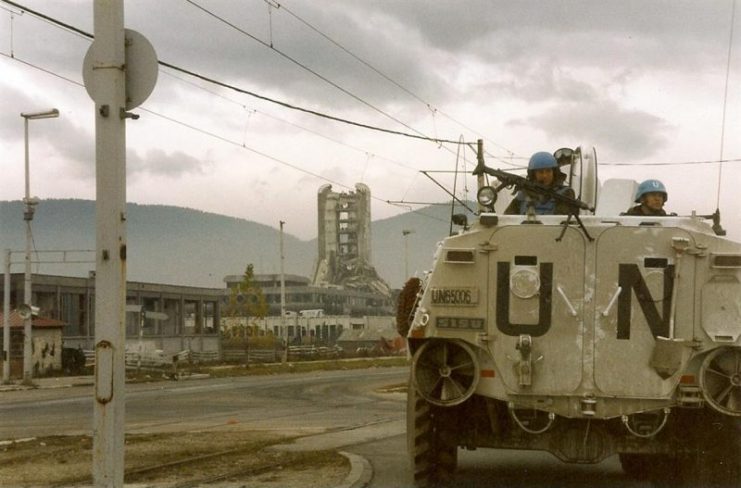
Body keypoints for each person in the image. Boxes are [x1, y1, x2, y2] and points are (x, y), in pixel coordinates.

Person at [504, 151, 575, 215]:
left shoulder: (565, 194)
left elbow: (561, 222)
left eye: (548, 171)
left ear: (554, 172)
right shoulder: (523, 195)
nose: (545, 175)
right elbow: (507, 218)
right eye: (541, 172)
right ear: (533, 174)